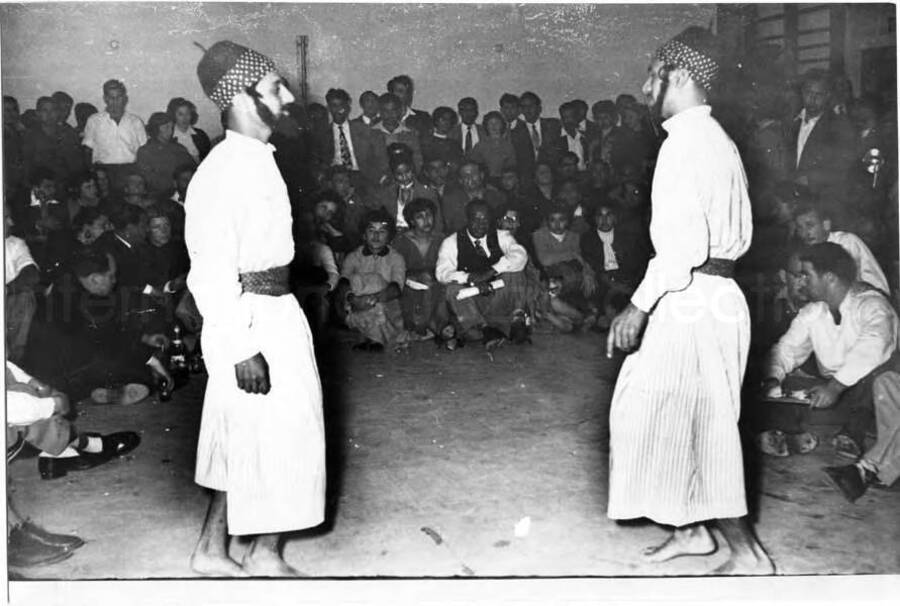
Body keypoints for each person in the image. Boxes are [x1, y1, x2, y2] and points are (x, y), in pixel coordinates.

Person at [605, 27, 774, 575]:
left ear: (678, 75)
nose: (645, 84)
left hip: (696, 299)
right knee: (653, 411)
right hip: (706, 297)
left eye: (653, 73)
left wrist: (638, 305)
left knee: (707, 431)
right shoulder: (712, 138)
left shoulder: (686, 144)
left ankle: (748, 556)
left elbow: (681, 251)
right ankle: (693, 529)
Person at [186, 40, 325, 577]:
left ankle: (215, 549)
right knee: (283, 434)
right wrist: (241, 346)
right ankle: (262, 553)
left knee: (250, 437)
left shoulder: (259, 161)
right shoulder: (222, 171)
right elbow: (211, 271)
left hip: (276, 312)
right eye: (274, 88)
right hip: (249, 319)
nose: (288, 97)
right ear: (240, 97)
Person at [759, 243, 899, 467]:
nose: (801, 282)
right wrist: (772, 378)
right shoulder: (813, 312)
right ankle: (788, 433)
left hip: (872, 399)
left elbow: (874, 346)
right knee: (784, 385)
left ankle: (853, 434)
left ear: (830, 278)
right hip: (835, 394)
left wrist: (835, 387)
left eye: (806, 275)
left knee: (878, 374)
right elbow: (787, 349)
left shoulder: (872, 304)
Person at [436, 199, 530, 341]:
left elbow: (520, 255)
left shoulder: (502, 236)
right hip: (473, 301)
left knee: (516, 271)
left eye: (485, 220)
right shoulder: (451, 242)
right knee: (451, 288)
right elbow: (442, 273)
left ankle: (517, 321)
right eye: (476, 219)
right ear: (467, 219)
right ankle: (484, 329)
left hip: (497, 295)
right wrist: (470, 278)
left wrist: (492, 271)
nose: (481, 224)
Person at [337, 209, 409, 351]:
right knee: (356, 280)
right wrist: (353, 299)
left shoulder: (396, 258)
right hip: (357, 305)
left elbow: (396, 288)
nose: (376, 236)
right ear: (364, 235)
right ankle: (373, 338)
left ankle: (372, 338)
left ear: (389, 236)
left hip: (385, 307)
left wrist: (373, 299)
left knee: (376, 283)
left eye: (382, 231)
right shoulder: (353, 257)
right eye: (371, 231)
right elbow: (343, 282)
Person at [580, 200, 651, 327]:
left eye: (608, 215)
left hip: (624, 279)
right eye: (600, 216)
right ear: (595, 219)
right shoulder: (587, 239)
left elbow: (635, 264)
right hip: (603, 281)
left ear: (615, 218)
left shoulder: (627, 238)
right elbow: (594, 265)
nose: (604, 219)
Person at [793, 202, 889, 295]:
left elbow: (869, 285)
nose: (805, 233)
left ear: (826, 225)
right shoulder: (805, 252)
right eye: (800, 228)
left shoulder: (846, 242)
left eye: (810, 225)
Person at [786, 69, 856, 193]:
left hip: (820, 200)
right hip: (789, 198)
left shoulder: (839, 126)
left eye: (818, 95)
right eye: (808, 93)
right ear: (802, 93)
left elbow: (844, 169)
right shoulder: (791, 122)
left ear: (827, 95)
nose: (812, 99)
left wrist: (811, 178)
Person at [392, 198, 447, 339]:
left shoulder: (441, 240)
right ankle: (422, 327)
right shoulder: (401, 241)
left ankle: (429, 326)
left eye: (429, 215)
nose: (426, 220)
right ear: (411, 221)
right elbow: (396, 269)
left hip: (436, 283)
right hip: (409, 285)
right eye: (420, 217)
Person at [316, 88, 389, 193]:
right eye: (334, 106)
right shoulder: (323, 134)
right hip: (335, 176)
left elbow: (381, 158)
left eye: (342, 105)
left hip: (362, 175)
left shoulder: (365, 130)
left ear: (347, 107)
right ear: (329, 108)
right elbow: (319, 161)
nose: (338, 110)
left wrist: (381, 176)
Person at [82, 79, 148, 194]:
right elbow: (87, 149)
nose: (115, 102)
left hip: (129, 170)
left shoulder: (135, 121)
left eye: (119, 97)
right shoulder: (94, 120)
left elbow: (143, 151)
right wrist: (93, 172)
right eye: (111, 98)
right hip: (104, 172)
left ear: (125, 99)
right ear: (105, 99)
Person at [374, 149, 440, 234]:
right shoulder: (388, 192)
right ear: (393, 174)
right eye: (399, 174)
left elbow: (438, 224)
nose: (405, 178)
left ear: (413, 170)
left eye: (407, 172)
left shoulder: (427, 192)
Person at [5, 206, 40, 363]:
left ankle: (13, 362)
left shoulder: (14, 244)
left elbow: (31, 274)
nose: (11, 222)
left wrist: (5, 289)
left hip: (7, 304)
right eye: (5, 217)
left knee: (25, 296)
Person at [136, 112, 197, 200]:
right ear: (155, 129)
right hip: (159, 196)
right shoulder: (145, 151)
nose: (170, 131)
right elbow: (148, 179)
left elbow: (192, 169)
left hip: (184, 192)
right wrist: (174, 185)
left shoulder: (179, 148)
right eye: (166, 127)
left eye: (172, 127)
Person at [441, 160, 506, 234]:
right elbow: (448, 227)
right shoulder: (450, 200)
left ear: (481, 175)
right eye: (465, 176)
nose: (470, 178)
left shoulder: (497, 197)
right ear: (460, 180)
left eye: (474, 174)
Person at [510, 91, 560, 185]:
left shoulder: (553, 125)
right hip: (528, 180)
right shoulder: (515, 133)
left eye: (531, 106)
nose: (528, 110)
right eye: (524, 107)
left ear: (539, 108)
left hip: (553, 176)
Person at [372, 93, 423, 171]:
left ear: (400, 111)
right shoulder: (371, 133)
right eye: (385, 111)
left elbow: (417, 160)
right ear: (380, 112)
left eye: (393, 110)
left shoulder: (410, 133)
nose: (390, 115)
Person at [469, 110, 516, 185]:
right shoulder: (480, 146)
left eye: (497, 123)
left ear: (502, 125)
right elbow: (475, 167)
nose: (494, 126)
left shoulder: (508, 145)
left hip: (505, 182)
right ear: (486, 126)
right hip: (485, 183)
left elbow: (512, 166)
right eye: (490, 123)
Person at [167, 97, 213, 164]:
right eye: (180, 114)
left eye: (188, 113)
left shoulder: (200, 134)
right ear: (173, 116)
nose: (185, 118)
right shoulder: (170, 139)